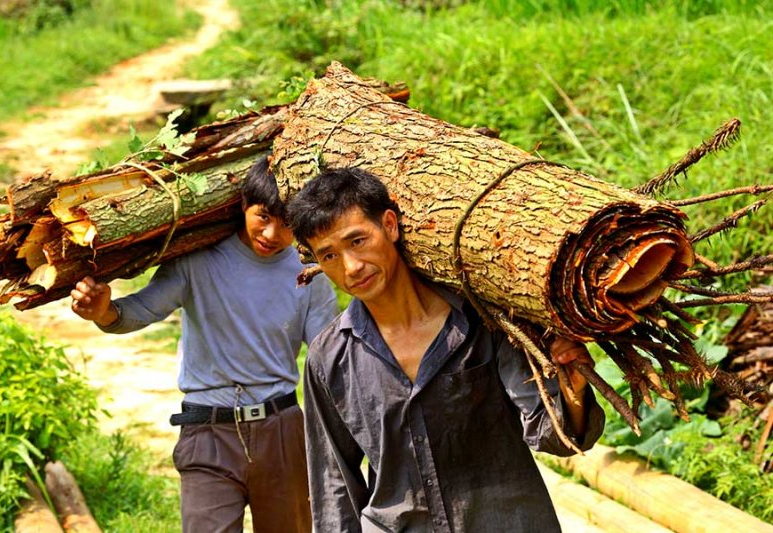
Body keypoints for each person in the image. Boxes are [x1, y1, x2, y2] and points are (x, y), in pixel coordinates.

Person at [286, 167, 605, 532]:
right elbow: (333, 485)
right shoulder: (330, 359)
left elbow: (555, 436)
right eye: (329, 256)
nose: (351, 267)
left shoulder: (484, 322)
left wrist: (573, 389)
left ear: (389, 225)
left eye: (357, 241)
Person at [69, 155, 338, 533]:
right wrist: (103, 311)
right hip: (207, 431)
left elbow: (330, 357)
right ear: (244, 204)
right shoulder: (198, 259)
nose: (272, 234)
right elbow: (141, 310)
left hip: (281, 432)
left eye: (287, 224)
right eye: (263, 216)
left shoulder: (309, 273)